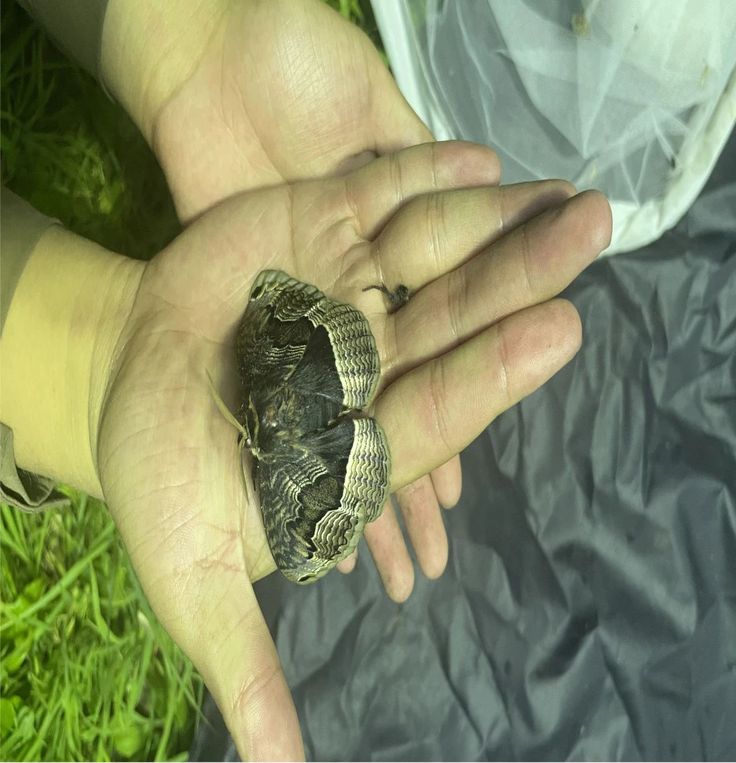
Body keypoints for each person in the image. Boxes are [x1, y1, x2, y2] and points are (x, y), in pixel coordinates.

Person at [0, 1, 611, 759]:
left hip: (305, 398)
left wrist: (193, 41)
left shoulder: (267, 409)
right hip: (303, 404)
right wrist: (192, 43)